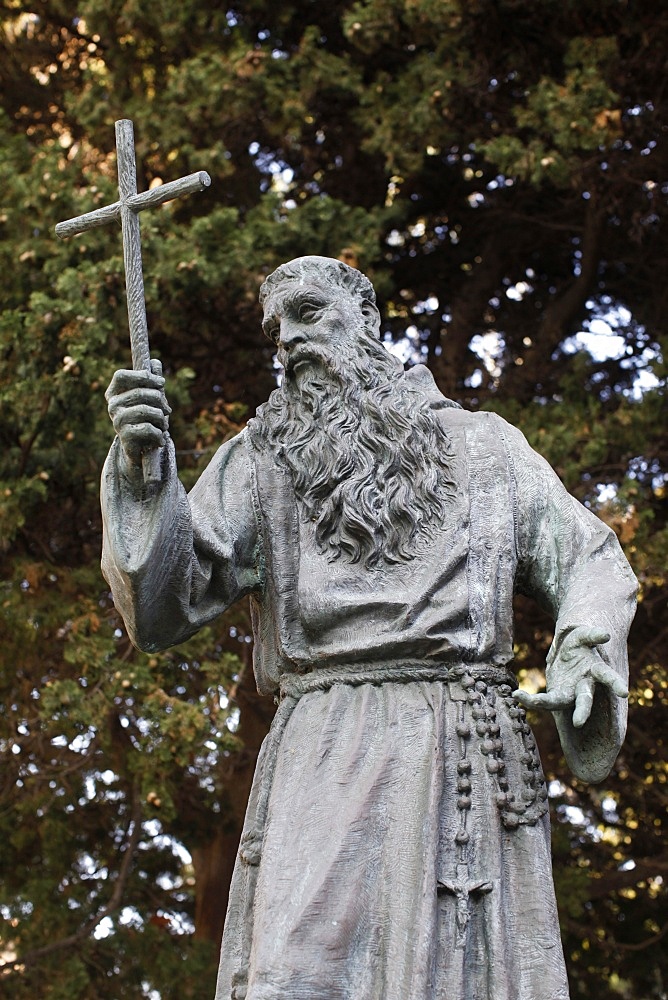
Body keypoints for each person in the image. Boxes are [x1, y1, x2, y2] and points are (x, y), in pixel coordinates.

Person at [101, 256, 637, 1000]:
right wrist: (140, 475)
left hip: (458, 750)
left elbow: (588, 555)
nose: (287, 339)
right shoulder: (261, 464)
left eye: (308, 313)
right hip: (321, 752)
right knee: (295, 974)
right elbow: (161, 610)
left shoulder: (486, 447)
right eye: (274, 327)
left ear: (366, 318)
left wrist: (583, 649)